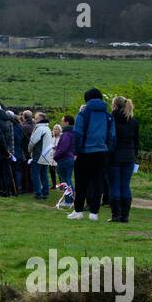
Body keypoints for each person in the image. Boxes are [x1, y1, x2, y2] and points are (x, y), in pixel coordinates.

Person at [68, 88, 114, 221]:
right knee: (98, 182)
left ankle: (78, 211)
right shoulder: (108, 115)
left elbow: (77, 134)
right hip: (101, 153)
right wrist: (107, 150)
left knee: (81, 183)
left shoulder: (83, 114)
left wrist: (76, 151)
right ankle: (94, 213)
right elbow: (112, 135)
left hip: (84, 153)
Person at [107, 97, 139, 222]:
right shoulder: (133, 121)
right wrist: (134, 156)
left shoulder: (111, 119)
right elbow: (136, 141)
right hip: (129, 156)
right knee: (125, 185)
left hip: (114, 156)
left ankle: (116, 215)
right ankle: (125, 216)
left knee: (114, 185)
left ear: (114, 105)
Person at [28, 112, 54, 201]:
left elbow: (33, 142)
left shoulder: (40, 129)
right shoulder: (47, 128)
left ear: (40, 119)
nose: (34, 120)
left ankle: (38, 193)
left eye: (36, 118)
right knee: (44, 175)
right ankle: (45, 192)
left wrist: (29, 150)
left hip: (39, 155)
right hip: (46, 155)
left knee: (35, 174)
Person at [52, 121, 75, 193]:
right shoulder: (72, 132)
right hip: (70, 157)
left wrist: (56, 156)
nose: (61, 123)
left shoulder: (66, 134)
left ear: (67, 122)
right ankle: (71, 196)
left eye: (62, 121)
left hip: (65, 159)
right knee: (67, 179)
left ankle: (69, 200)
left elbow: (63, 148)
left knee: (65, 179)